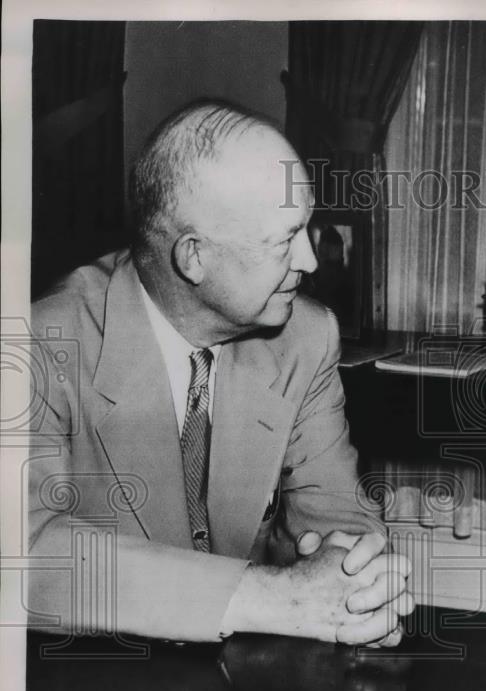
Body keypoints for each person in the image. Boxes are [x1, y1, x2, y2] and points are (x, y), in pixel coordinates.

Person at [27, 100, 413, 646]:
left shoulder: (306, 337)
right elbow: (26, 553)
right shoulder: (41, 343)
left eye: (306, 229)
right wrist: (275, 599)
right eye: (283, 240)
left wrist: (358, 590)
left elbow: (337, 514)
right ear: (193, 258)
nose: (309, 260)